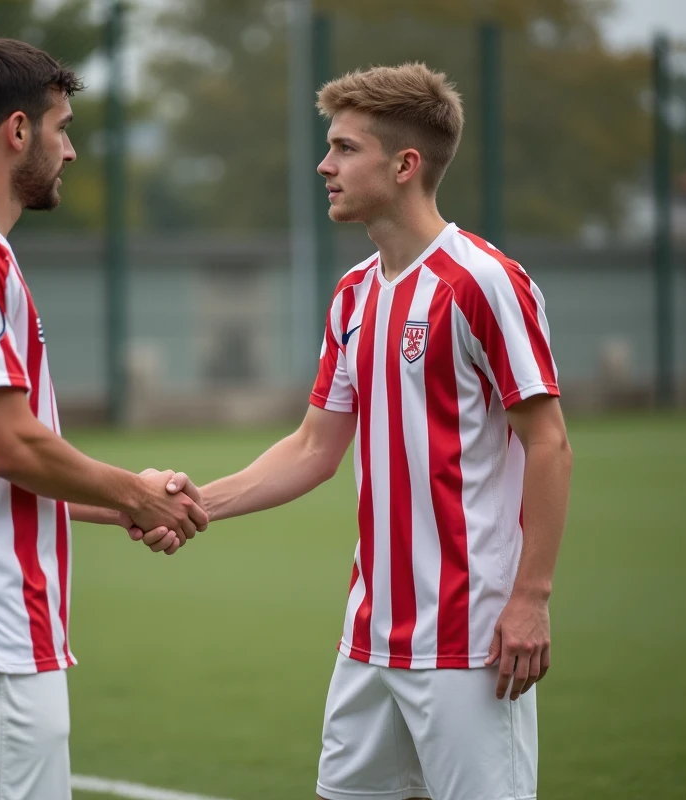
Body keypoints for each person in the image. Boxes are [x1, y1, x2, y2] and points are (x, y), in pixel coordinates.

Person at [144, 63, 573, 800]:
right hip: (369, 639)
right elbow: (314, 447)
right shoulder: (352, 296)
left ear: (405, 165)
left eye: (344, 148)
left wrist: (531, 596)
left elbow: (549, 442)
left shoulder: (483, 283)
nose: (324, 165)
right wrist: (194, 506)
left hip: (468, 643)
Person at [0, 34, 207, 800]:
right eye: (62, 128)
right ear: (17, 132)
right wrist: (136, 494)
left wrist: (129, 496)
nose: (72, 151)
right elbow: (13, 449)